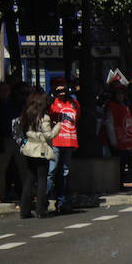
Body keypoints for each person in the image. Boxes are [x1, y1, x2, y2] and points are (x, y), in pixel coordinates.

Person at [19, 91, 61, 218]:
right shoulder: (44, 117)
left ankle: (24, 210)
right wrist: (58, 126)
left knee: (29, 180)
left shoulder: (27, 114)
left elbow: (24, 130)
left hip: (29, 149)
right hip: (41, 150)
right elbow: (49, 135)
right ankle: (40, 209)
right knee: (42, 179)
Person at [0, 81, 29, 203]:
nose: (5, 93)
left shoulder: (15, 104)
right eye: (2, 91)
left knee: (23, 167)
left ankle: (28, 191)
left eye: (6, 90)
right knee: (1, 168)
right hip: (4, 139)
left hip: (16, 138)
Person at [47, 78, 80, 212]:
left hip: (69, 141)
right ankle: (44, 199)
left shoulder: (74, 104)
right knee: (52, 171)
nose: (61, 92)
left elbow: (76, 120)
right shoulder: (52, 104)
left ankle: (62, 202)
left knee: (65, 173)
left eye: (63, 89)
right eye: (58, 89)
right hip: (56, 141)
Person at [103, 83, 132, 181]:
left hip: (126, 139)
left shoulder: (125, 106)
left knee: (125, 161)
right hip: (117, 139)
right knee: (119, 162)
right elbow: (110, 125)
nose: (120, 96)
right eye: (118, 94)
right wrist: (113, 141)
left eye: (122, 94)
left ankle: (121, 180)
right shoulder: (111, 106)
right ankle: (117, 181)